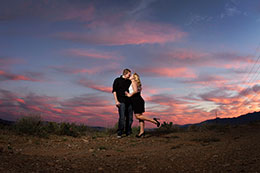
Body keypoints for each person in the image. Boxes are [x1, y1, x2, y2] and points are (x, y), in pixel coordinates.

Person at [125, 73, 160, 138]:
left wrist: (129, 95)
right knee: (140, 117)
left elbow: (135, 91)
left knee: (138, 116)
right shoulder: (136, 83)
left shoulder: (133, 82)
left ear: (134, 77)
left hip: (136, 100)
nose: (130, 76)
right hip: (138, 100)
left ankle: (153, 120)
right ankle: (141, 132)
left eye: (131, 75)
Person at [112, 69, 133, 138]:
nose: (130, 75)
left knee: (130, 118)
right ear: (125, 73)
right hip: (121, 101)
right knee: (122, 117)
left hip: (129, 101)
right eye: (129, 74)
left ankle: (128, 132)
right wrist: (116, 101)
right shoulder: (117, 80)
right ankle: (120, 133)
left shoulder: (129, 81)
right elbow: (114, 91)